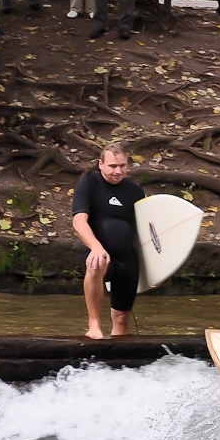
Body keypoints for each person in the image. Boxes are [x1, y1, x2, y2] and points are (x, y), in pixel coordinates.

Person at [72, 142, 146, 338]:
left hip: (127, 259)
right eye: (113, 166)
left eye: (122, 166)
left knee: (122, 319)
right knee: (96, 264)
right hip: (100, 254)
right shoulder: (89, 184)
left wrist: (157, 269)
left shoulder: (135, 192)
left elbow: (146, 233)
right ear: (101, 164)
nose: (118, 171)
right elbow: (79, 221)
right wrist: (96, 247)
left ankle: (117, 365)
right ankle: (94, 324)